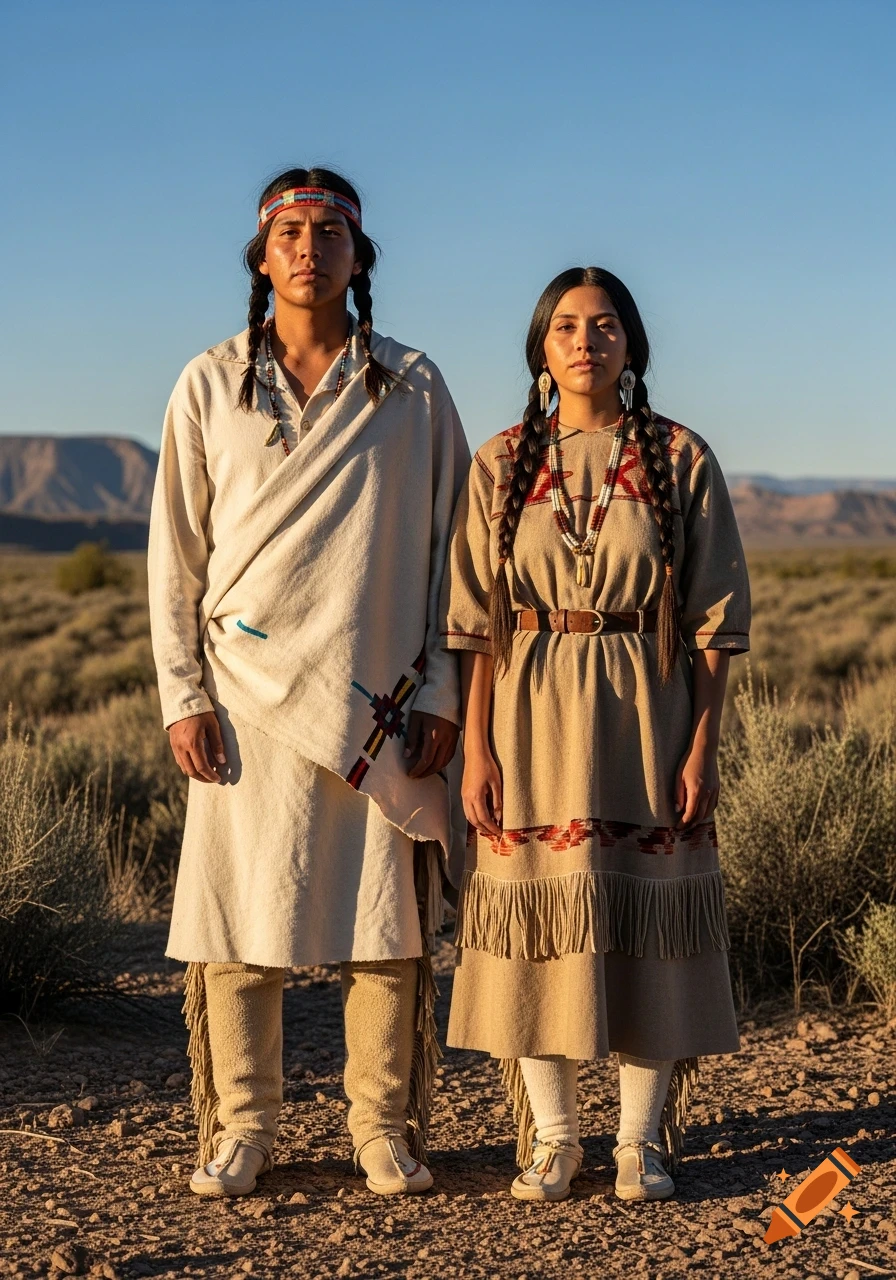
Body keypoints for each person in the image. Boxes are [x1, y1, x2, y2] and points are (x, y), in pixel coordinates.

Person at [148, 167, 469, 1198]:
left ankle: (380, 1125)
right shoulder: (208, 382)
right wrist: (181, 692)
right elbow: (174, 555)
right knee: (243, 921)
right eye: (287, 228)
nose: (307, 245)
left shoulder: (411, 385)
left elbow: (451, 546)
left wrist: (439, 692)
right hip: (243, 690)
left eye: (329, 230)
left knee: (384, 924)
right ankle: (242, 1124)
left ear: (356, 255)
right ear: (261, 253)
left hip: (376, 692)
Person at [440, 266, 750, 1203]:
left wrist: (703, 745)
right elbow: (475, 622)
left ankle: (639, 1143)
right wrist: (477, 747)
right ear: (542, 346)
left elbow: (715, 621)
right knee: (536, 918)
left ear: (632, 343)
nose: (586, 341)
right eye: (568, 326)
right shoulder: (498, 462)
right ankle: (555, 1141)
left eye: (605, 324)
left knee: (650, 916)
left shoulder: (681, 456)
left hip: (644, 712)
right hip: (526, 715)